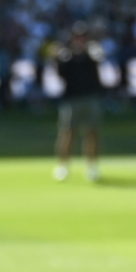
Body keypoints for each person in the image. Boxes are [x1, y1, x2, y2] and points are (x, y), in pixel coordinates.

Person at [52, 23, 105, 182]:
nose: (79, 39)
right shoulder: (66, 54)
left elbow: (97, 62)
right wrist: (58, 57)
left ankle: (92, 167)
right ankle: (63, 166)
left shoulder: (92, 52)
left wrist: (88, 52)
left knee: (92, 132)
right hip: (72, 99)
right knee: (68, 132)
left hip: (90, 97)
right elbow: (61, 73)